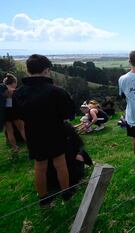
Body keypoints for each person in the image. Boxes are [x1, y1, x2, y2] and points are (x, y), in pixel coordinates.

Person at [13, 54, 76, 205]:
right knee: (60, 162)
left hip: (33, 132)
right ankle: (66, 193)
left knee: (40, 165)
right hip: (55, 131)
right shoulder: (56, 91)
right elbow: (69, 113)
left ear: (28, 70)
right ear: (46, 70)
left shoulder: (19, 93)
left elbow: (18, 114)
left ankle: (44, 198)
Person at [47, 122, 92, 195]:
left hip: (71, 162)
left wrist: (79, 154)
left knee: (81, 153)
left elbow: (79, 145)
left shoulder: (68, 131)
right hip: (62, 170)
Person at [2, 74, 26, 152]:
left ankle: (15, 148)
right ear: (13, 83)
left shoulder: (3, 91)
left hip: (5, 113)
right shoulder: (15, 91)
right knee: (22, 129)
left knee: (9, 131)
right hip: (15, 112)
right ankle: (30, 146)